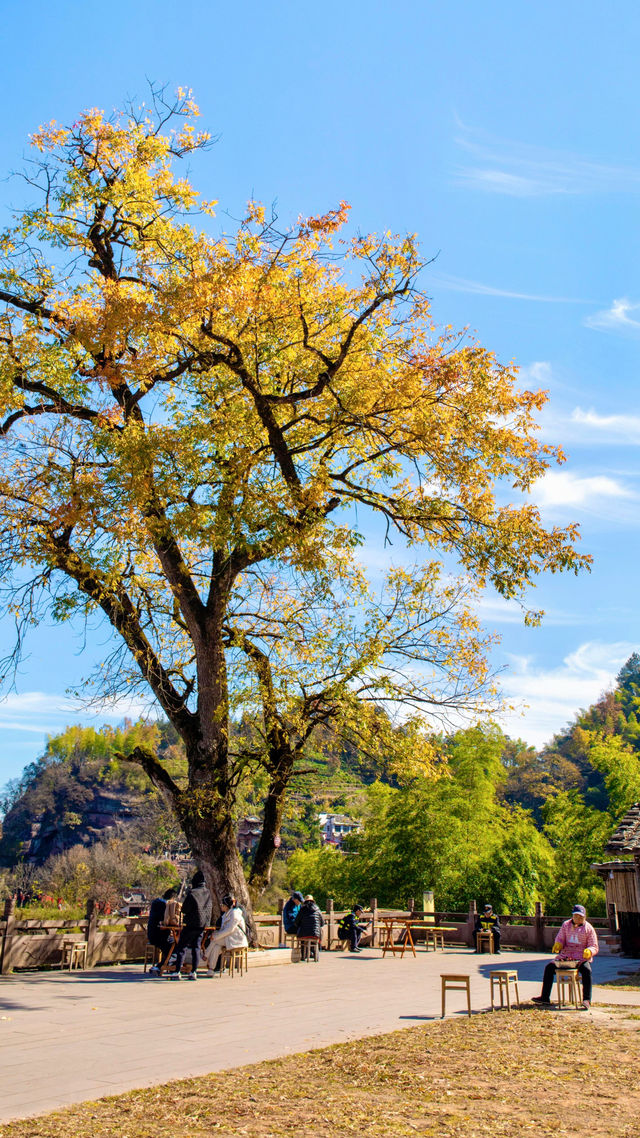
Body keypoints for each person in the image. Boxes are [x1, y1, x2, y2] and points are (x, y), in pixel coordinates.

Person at [532, 904, 599, 1010]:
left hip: (580, 958)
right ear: (572, 916)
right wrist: (558, 944)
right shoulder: (566, 925)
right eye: (576, 916)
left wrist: (589, 951)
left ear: (584, 917)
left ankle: (586, 1000)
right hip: (566, 956)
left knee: (587, 971)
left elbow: (594, 945)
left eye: (581, 917)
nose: (578, 918)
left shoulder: (589, 928)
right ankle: (544, 997)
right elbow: (560, 938)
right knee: (549, 967)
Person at [170, 870, 212, 981]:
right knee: (196, 948)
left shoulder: (193, 893)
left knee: (182, 947)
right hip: (202, 925)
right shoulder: (208, 893)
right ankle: (193, 972)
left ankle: (177, 971)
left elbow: (184, 909)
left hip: (190, 925)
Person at [205, 894, 248, 975]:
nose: (221, 906)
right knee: (216, 947)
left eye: (222, 905)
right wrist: (216, 935)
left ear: (226, 906)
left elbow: (229, 929)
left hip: (236, 939)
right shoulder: (225, 915)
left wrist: (215, 936)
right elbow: (223, 929)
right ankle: (211, 969)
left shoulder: (235, 914)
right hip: (229, 938)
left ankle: (205, 956)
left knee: (214, 940)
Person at [147, 887, 178, 974]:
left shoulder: (156, 903)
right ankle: (164, 965)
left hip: (151, 934)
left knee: (172, 944)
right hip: (159, 936)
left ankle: (164, 964)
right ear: (172, 898)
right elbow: (166, 920)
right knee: (175, 945)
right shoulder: (165, 905)